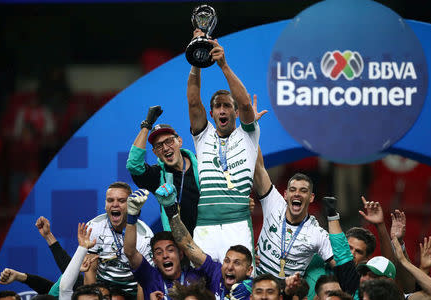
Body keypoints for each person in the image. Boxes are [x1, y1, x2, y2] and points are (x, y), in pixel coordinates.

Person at [186, 28, 264, 261]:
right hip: (205, 225)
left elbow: (246, 103)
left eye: (227, 105)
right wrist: (196, 58)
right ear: (211, 113)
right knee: (204, 289)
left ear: (236, 112)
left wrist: (224, 66)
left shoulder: (248, 135)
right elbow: (192, 100)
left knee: (240, 285)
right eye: (218, 106)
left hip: (237, 224)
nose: (222, 109)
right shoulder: (203, 135)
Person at [153, 183, 255, 299]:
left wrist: (255, 286)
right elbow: (188, 245)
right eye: (226, 261)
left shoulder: (254, 292)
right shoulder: (216, 273)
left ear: (249, 270)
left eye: (237, 263)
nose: (229, 267)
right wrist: (171, 210)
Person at [253, 148, 334, 278]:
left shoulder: (317, 234)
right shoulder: (274, 203)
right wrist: (251, 129)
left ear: (311, 197)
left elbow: (343, 269)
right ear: (285, 194)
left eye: (303, 190)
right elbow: (259, 168)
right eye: (293, 189)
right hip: (257, 286)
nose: (297, 193)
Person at [126, 105, 200, 236]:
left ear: (179, 141)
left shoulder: (202, 164)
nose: (165, 148)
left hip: (210, 237)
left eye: (169, 141)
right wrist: (146, 126)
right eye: (159, 146)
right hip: (179, 245)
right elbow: (134, 165)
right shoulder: (157, 175)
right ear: (154, 152)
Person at [123, 189, 207, 300]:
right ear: (154, 260)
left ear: (181, 255)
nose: (165, 255)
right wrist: (132, 217)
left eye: (170, 250)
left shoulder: (196, 278)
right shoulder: (150, 277)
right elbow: (130, 252)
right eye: (159, 252)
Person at [85, 182, 154, 297]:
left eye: (121, 201)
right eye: (110, 200)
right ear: (105, 205)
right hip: (102, 291)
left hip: (132, 293)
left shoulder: (145, 236)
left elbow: (143, 282)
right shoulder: (94, 227)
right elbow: (89, 271)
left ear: (130, 205)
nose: (115, 205)